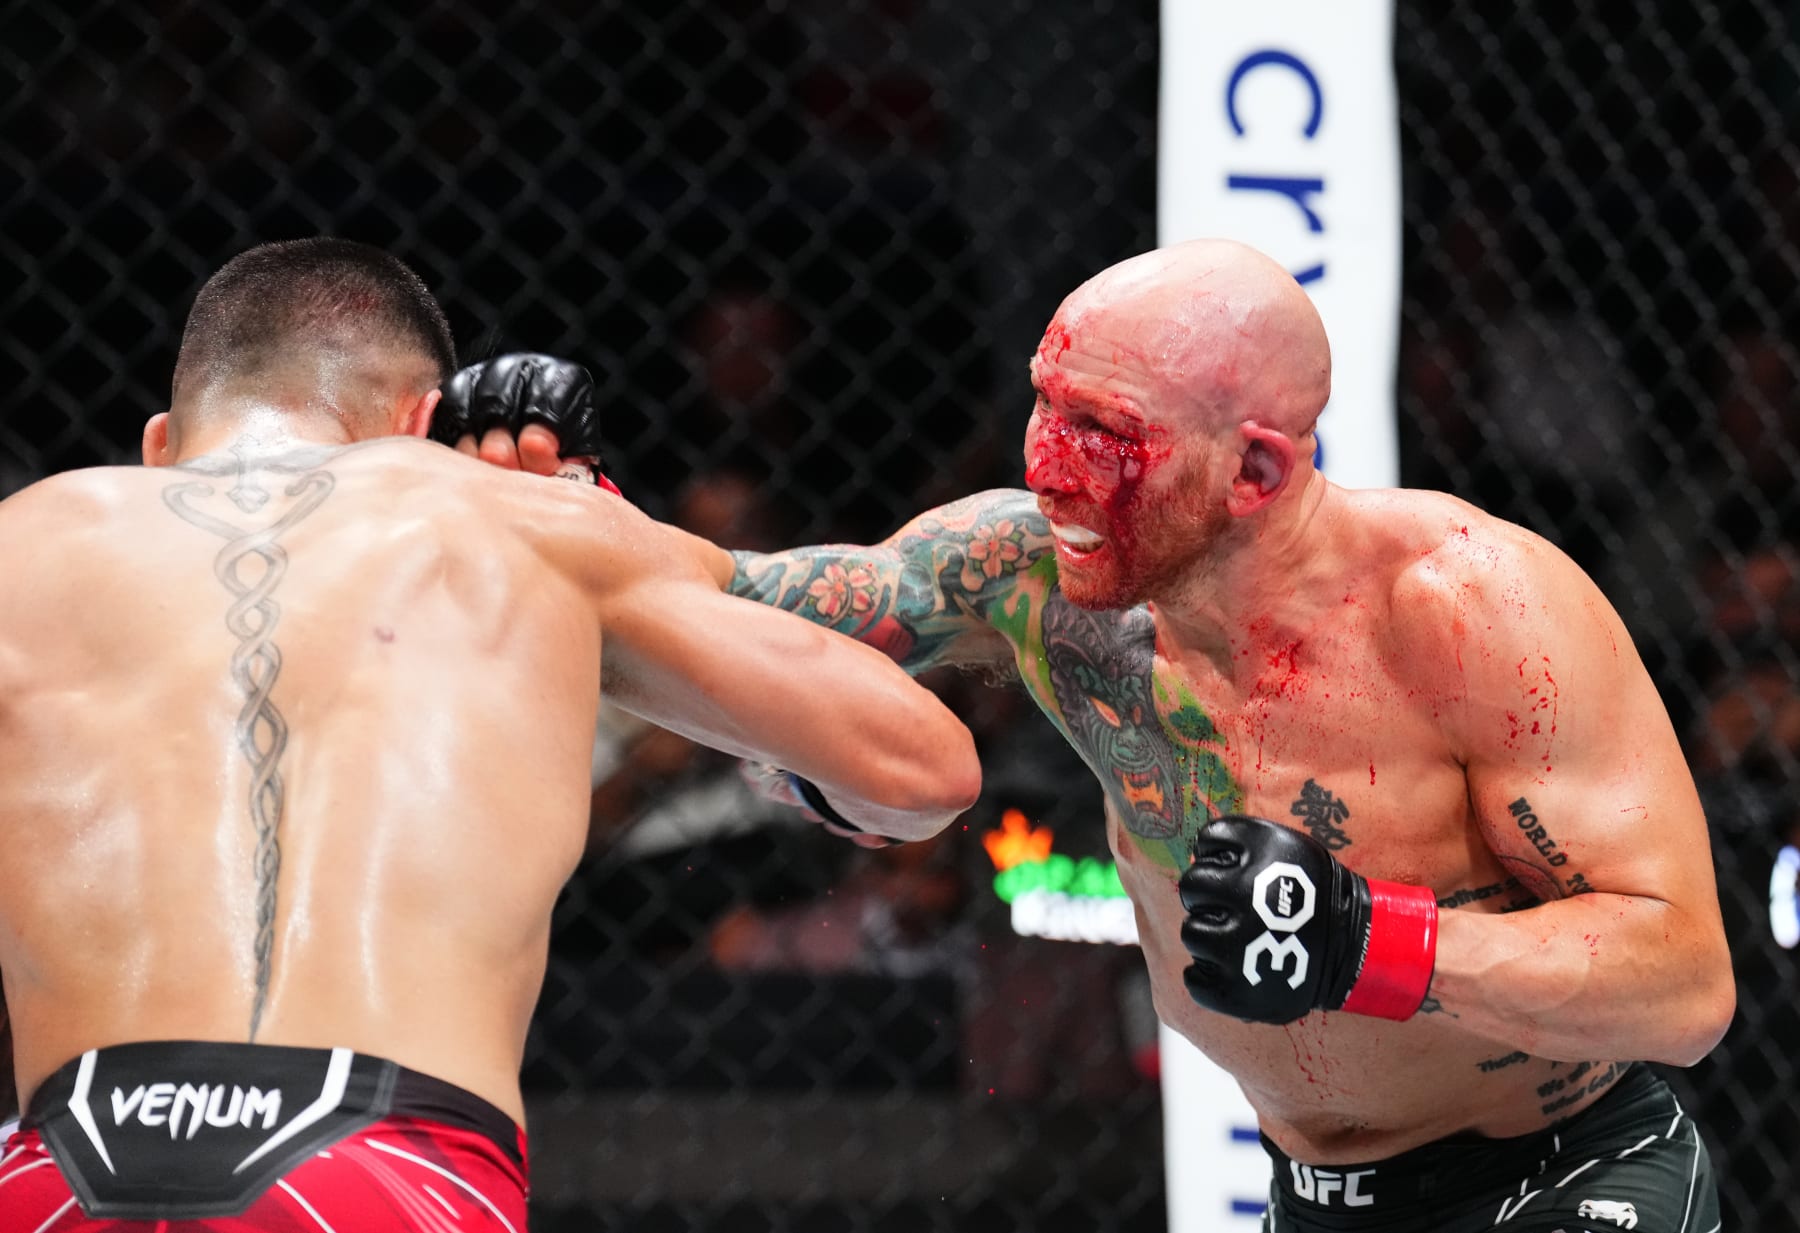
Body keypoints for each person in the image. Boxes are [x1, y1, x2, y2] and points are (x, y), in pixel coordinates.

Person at [467, 237, 1737, 1232]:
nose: (1051, 467)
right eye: (1045, 405)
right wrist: (553, 504)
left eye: (1106, 435)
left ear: (1255, 472)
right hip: (1315, 1196)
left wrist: (1371, 944)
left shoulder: (1473, 612)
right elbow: (729, 609)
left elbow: (1683, 985)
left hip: (1566, 1174)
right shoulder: (1027, 579)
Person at [0, 238, 981, 1231]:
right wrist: (585, 533)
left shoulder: (25, 546)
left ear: (161, 443)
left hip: (64, 1164)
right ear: (426, 425)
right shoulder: (517, 527)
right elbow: (920, 767)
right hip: (383, 1169)